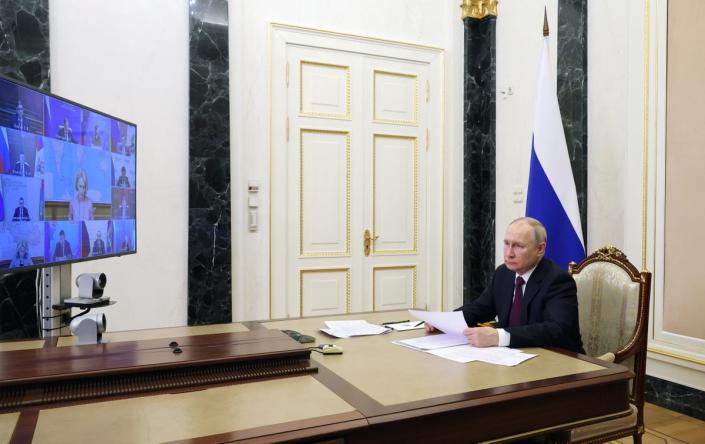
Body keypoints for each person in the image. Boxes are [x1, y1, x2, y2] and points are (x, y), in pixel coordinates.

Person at [426, 217, 584, 353]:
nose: (509, 253)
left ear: (540, 249)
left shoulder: (557, 280)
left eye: (518, 246)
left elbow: (556, 330)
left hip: (558, 361)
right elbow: (480, 308)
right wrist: (445, 321)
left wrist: (498, 336)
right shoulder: (504, 273)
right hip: (513, 357)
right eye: (507, 244)